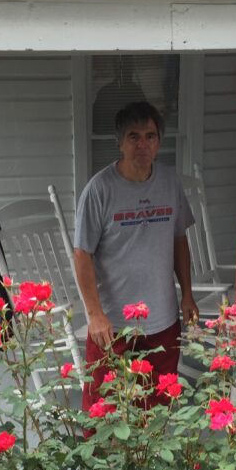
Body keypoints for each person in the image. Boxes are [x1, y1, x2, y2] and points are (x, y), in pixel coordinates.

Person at [72, 101, 199, 412]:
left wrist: (188, 295)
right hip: (113, 324)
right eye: (133, 136)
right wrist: (94, 315)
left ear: (158, 142)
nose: (143, 144)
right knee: (103, 408)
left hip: (163, 318)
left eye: (150, 136)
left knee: (157, 406)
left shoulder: (169, 182)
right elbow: (82, 254)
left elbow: (179, 239)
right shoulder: (99, 190)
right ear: (120, 142)